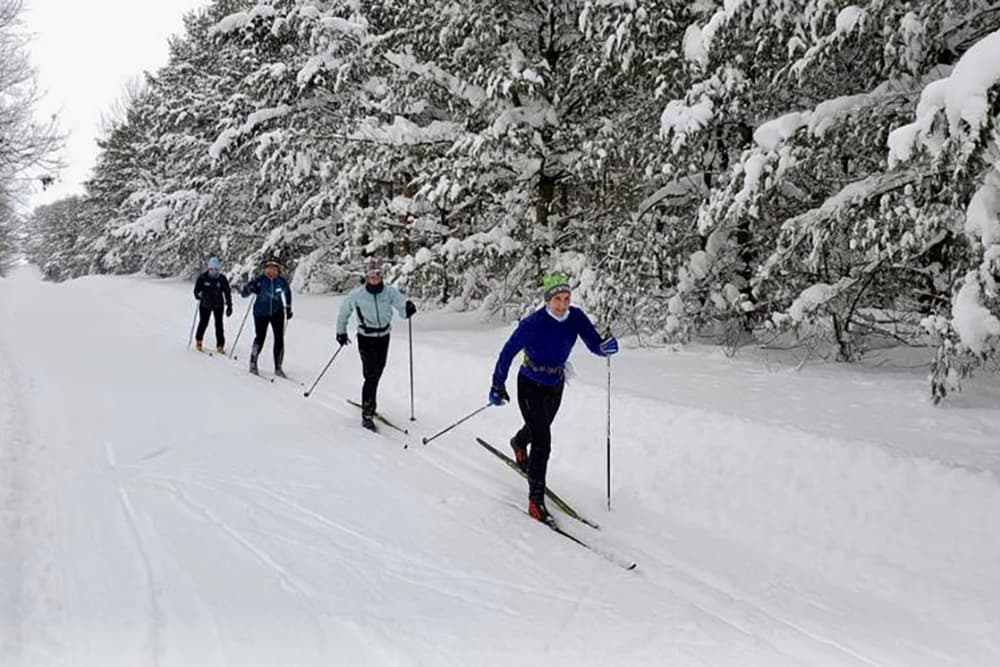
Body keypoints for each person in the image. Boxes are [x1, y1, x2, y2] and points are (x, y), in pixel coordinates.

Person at [488, 273, 619, 523]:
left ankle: (518, 442)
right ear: (548, 300)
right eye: (557, 299)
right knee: (543, 442)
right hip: (529, 384)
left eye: (566, 298)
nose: (562, 304)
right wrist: (497, 384)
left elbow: (594, 344)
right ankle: (535, 502)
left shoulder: (576, 317)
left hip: (555, 384)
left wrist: (605, 348)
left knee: (541, 427)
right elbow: (507, 353)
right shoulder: (532, 324)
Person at [336, 257, 417, 431]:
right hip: (366, 337)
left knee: (378, 371)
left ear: (382, 277)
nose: (375, 279)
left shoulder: (389, 292)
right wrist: (341, 332)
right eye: (371, 276)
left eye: (378, 275)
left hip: (383, 337)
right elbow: (344, 312)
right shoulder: (357, 295)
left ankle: (369, 401)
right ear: (366, 277)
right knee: (370, 375)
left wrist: (408, 308)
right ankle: (367, 412)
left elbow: (402, 308)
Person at [241, 258, 292, 377]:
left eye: (274, 269)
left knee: (279, 338)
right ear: (265, 269)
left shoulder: (281, 281)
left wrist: (288, 308)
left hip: (277, 313)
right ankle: (253, 362)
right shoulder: (259, 280)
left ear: (278, 270)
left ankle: (278, 367)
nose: (271, 271)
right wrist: (251, 289)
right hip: (261, 313)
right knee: (260, 337)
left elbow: (288, 293)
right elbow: (244, 294)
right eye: (268, 269)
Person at [193, 257, 233, 353]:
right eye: (211, 269)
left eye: (216, 269)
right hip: (205, 304)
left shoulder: (222, 278)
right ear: (208, 268)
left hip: (218, 304)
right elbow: (196, 290)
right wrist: (198, 295)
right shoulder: (203, 277)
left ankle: (220, 345)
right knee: (203, 322)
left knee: (219, 325)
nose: (213, 271)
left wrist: (229, 305)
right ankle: (199, 340)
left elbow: (227, 292)